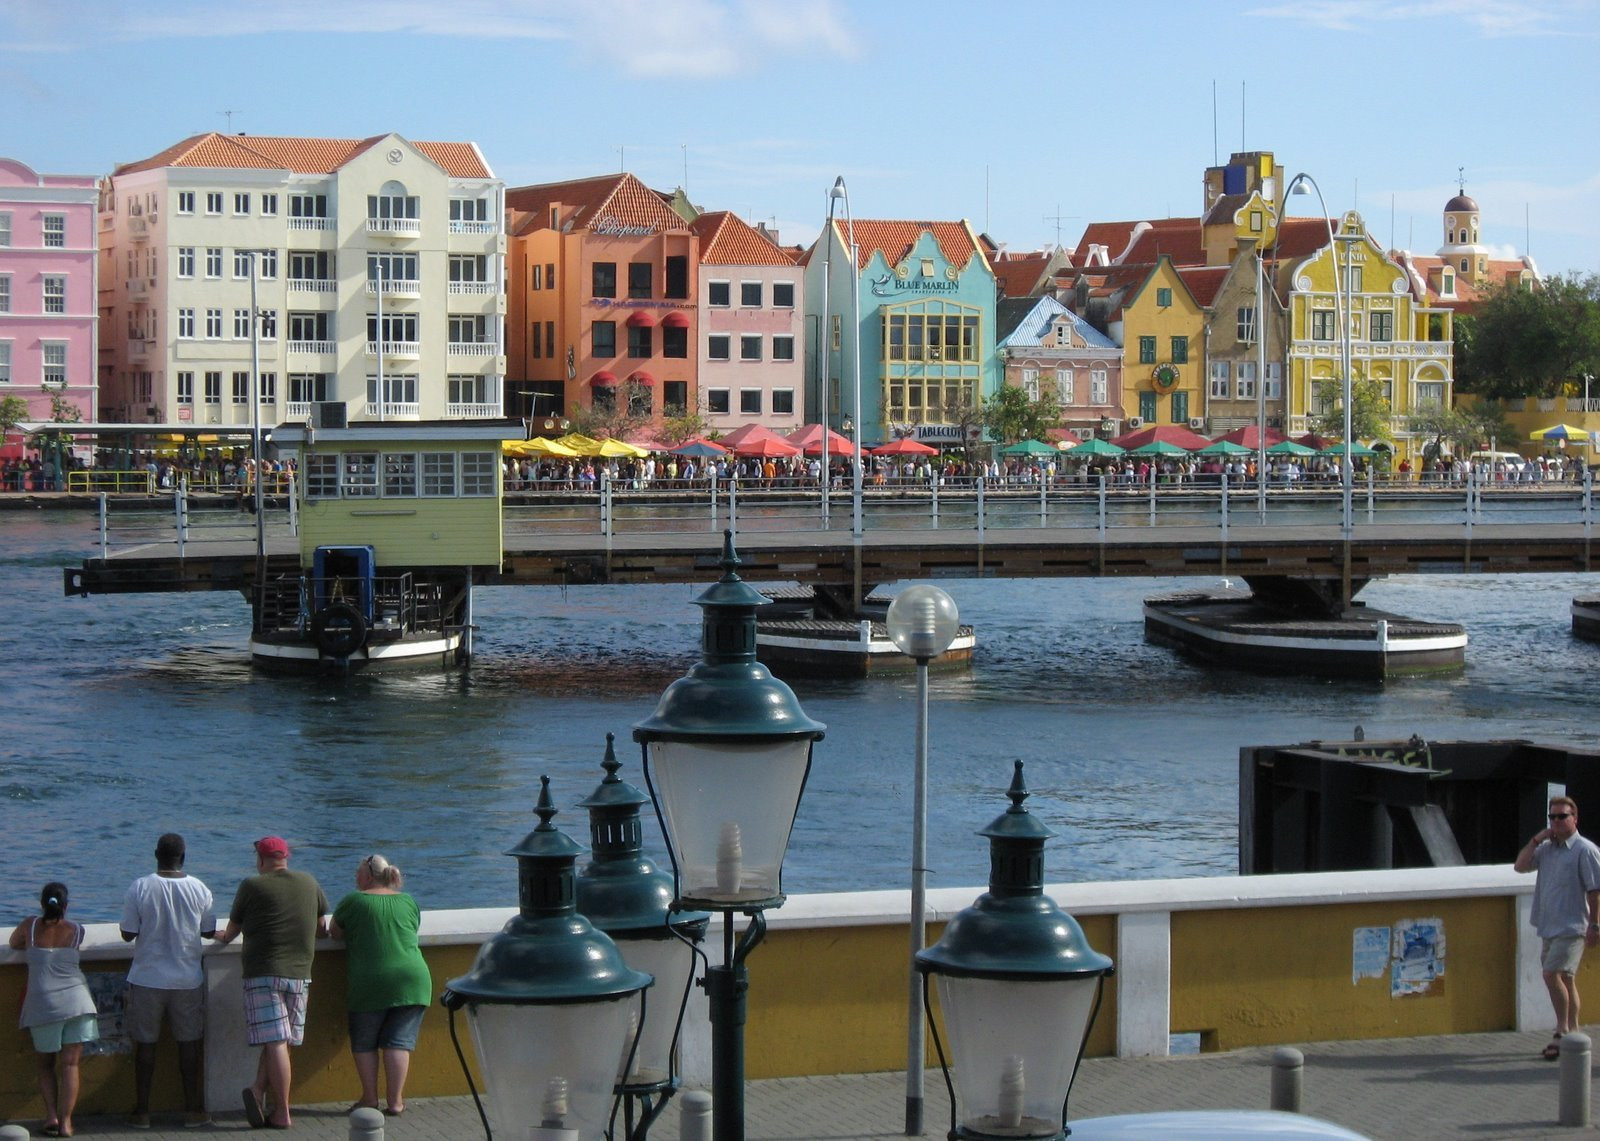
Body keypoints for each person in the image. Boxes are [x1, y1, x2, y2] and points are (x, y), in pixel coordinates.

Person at [215, 836, 329, 1129]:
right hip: (301, 973)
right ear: (286, 857)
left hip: (263, 972)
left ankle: (283, 1112)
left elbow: (230, 932)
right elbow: (321, 930)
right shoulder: (309, 883)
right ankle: (257, 1089)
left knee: (276, 1041)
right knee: (282, 1042)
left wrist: (217, 937)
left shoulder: (252, 886)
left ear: (261, 859)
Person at [120, 832, 218, 1129]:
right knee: (189, 1045)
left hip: (147, 978)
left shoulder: (140, 887)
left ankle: (142, 1112)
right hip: (187, 979)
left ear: (155, 855)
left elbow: (127, 933)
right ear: (183, 858)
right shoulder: (200, 889)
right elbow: (209, 932)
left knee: (145, 1047)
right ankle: (192, 1110)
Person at [329, 854, 432, 1116]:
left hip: (371, 980)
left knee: (365, 1042)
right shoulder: (408, 901)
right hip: (414, 979)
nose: (355, 876)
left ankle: (370, 1098)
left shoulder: (355, 900)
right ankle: (396, 1101)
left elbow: (335, 931)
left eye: (358, 872)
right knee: (398, 1043)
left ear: (368, 876)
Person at [9, 882, 98, 1138]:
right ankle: (67, 1123)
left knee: (46, 1065)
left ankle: (51, 1116)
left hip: (43, 1005)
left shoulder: (30, 926)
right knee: (71, 1065)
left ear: (41, 903)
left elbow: (15, 943)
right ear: (66, 906)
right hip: (77, 1002)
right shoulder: (76, 931)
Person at [1514, 796, 1600, 1060]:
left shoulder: (1585, 850)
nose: (1557, 822)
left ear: (1575, 818)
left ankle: (1562, 1031)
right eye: (1552, 817)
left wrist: (1595, 925)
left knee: (1552, 975)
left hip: (1572, 926)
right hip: (1548, 925)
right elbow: (1520, 866)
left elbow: (1595, 891)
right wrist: (1537, 839)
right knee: (1566, 979)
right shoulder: (1547, 849)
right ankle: (1573, 1031)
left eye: (1562, 816)